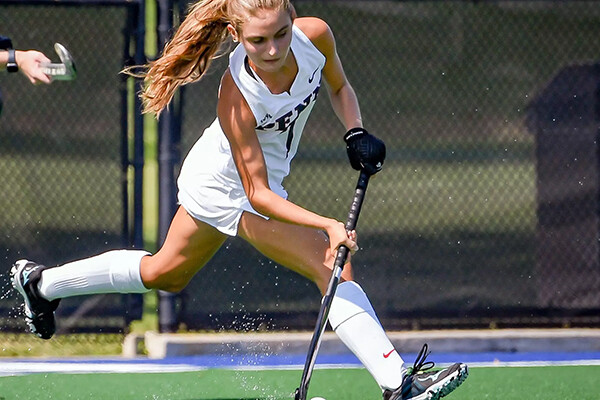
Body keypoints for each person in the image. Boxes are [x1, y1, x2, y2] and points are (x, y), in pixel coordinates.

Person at [10, 1, 468, 399]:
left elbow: (339, 87)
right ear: (235, 35)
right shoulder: (236, 96)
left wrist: (355, 131)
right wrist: (327, 224)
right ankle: (397, 383)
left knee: (164, 272)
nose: (273, 50)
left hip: (253, 185)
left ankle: (42, 284)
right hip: (227, 187)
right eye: (258, 40)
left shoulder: (315, 36)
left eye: (281, 33)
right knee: (330, 261)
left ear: (292, 15)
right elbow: (258, 194)